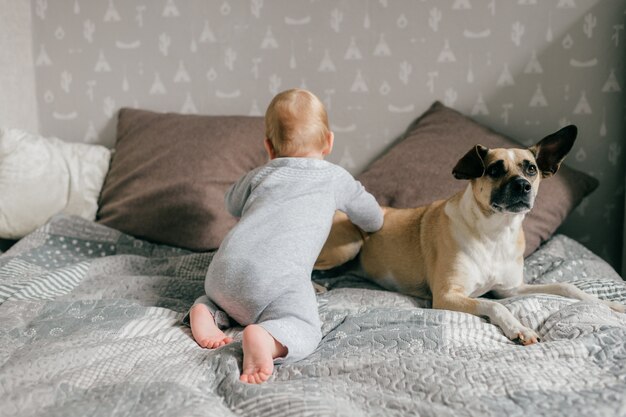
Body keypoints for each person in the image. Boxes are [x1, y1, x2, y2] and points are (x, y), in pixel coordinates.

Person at [188, 88, 384, 384]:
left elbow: (231, 202)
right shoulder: (335, 178)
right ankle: (267, 339)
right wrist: (374, 227)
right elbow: (372, 216)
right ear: (329, 141)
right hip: (274, 281)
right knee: (304, 325)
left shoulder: (260, 174)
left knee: (223, 299)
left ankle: (205, 309)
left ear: (268, 146)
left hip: (222, 273)